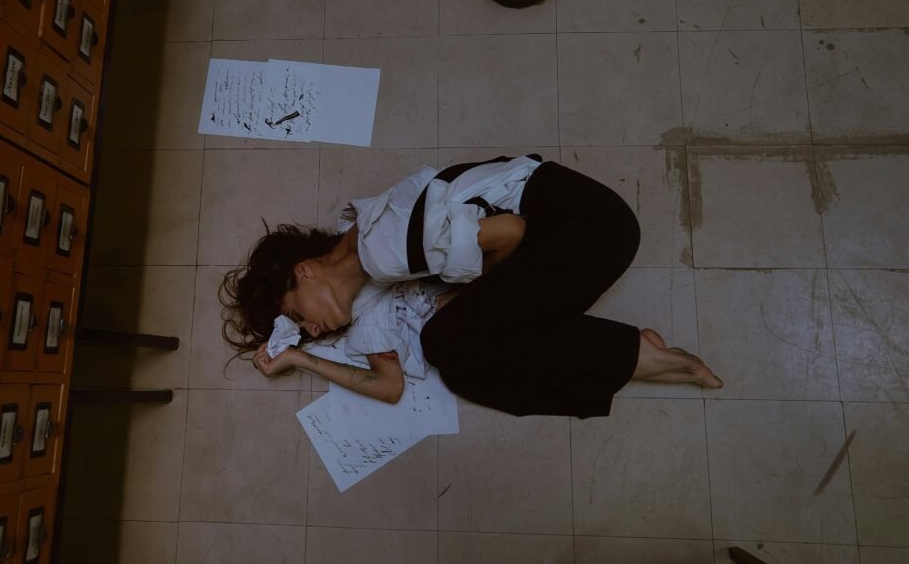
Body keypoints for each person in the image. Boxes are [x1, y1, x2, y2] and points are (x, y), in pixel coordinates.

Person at [221, 154, 723, 418]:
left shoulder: (387, 247)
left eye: (299, 314)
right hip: (582, 228)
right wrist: (300, 358)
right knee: (463, 368)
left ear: (306, 269)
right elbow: (390, 385)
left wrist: (470, 297)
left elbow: (511, 232)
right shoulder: (366, 245)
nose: (312, 328)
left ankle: (635, 354)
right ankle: (629, 352)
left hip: (586, 230)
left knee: (448, 340)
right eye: (305, 331)